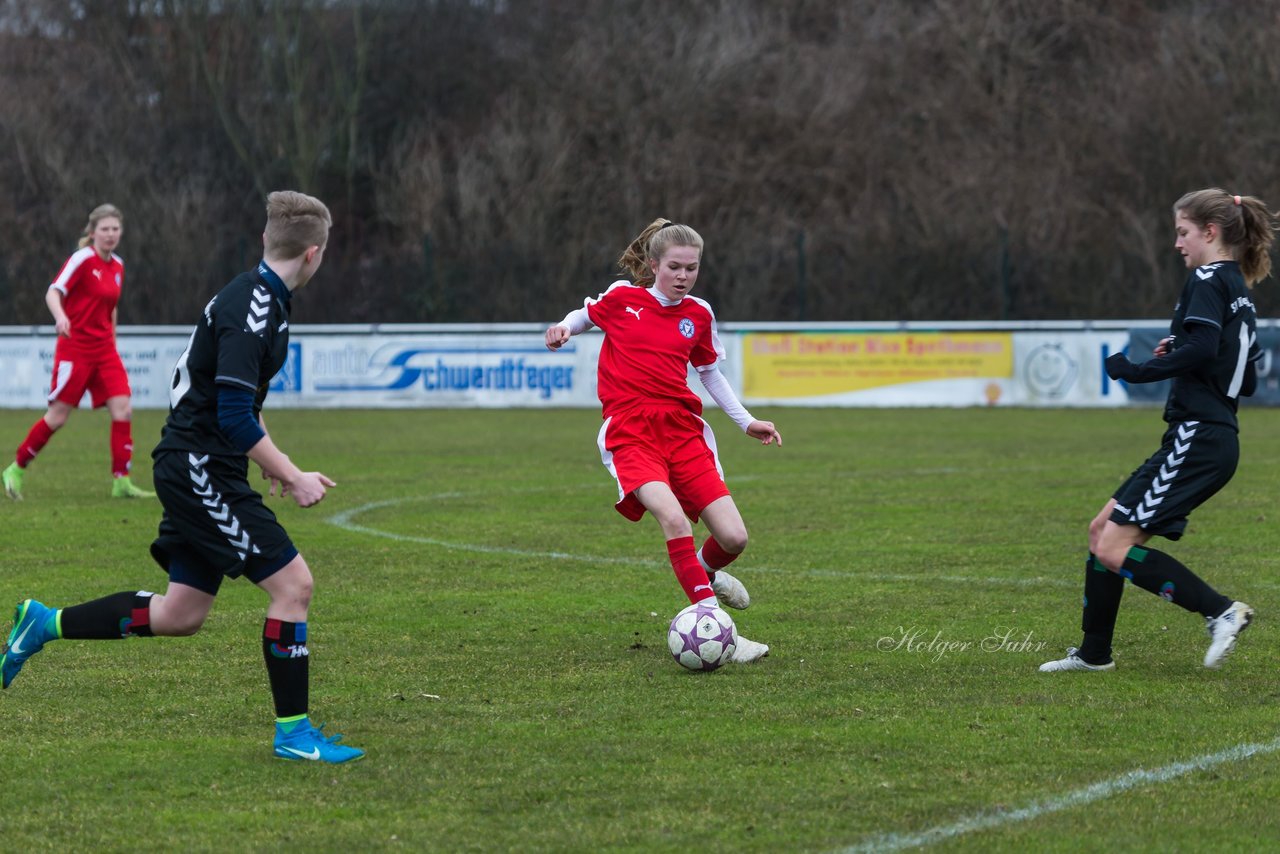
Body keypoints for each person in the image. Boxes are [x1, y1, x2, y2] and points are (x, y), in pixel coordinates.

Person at [1, 191, 364, 763]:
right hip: (199, 466)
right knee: (294, 587)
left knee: (180, 615)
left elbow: (240, 399)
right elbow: (232, 414)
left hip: (199, 462)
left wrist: (272, 460)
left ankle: (43, 623)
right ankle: (294, 736)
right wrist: (292, 476)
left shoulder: (261, 295)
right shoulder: (257, 309)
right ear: (314, 253)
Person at [1041, 188, 1277, 673]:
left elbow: (1205, 348)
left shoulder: (1208, 278)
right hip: (1205, 437)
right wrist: (1185, 347)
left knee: (1114, 546)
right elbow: (1246, 377)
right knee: (1100, 531)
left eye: (1182, 232)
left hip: (1200, 436)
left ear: (1210, 233)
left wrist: (1138, 370)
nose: (1177, 243)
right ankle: (1093, 655)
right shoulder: (1238, 289)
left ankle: (1220, 611)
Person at [545, 218, 781, 663]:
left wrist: (745, 421)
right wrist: (563, 328)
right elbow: (585, 314)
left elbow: (709, 372)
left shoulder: (699, 314)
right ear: (654, 264)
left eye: (692, 268)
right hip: (631, 432)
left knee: (734, 538)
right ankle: (717, 629)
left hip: (683, 432)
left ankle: (705, 573)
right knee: (674, 520)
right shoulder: (624, 299)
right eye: (675, 267)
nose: (683, 277)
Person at [2, 204, 154, 500]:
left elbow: (111, 309)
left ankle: (121, 482)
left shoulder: (118, 266)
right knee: (57, 417)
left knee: (123, 409)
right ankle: (15, 468)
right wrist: (60, 316)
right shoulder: (82, 260)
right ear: (93, 231)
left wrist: (114, 342)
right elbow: (53, 291)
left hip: (105, 351)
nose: (111, 234)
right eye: (105, 229)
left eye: (115, 229)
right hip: (76, 349)